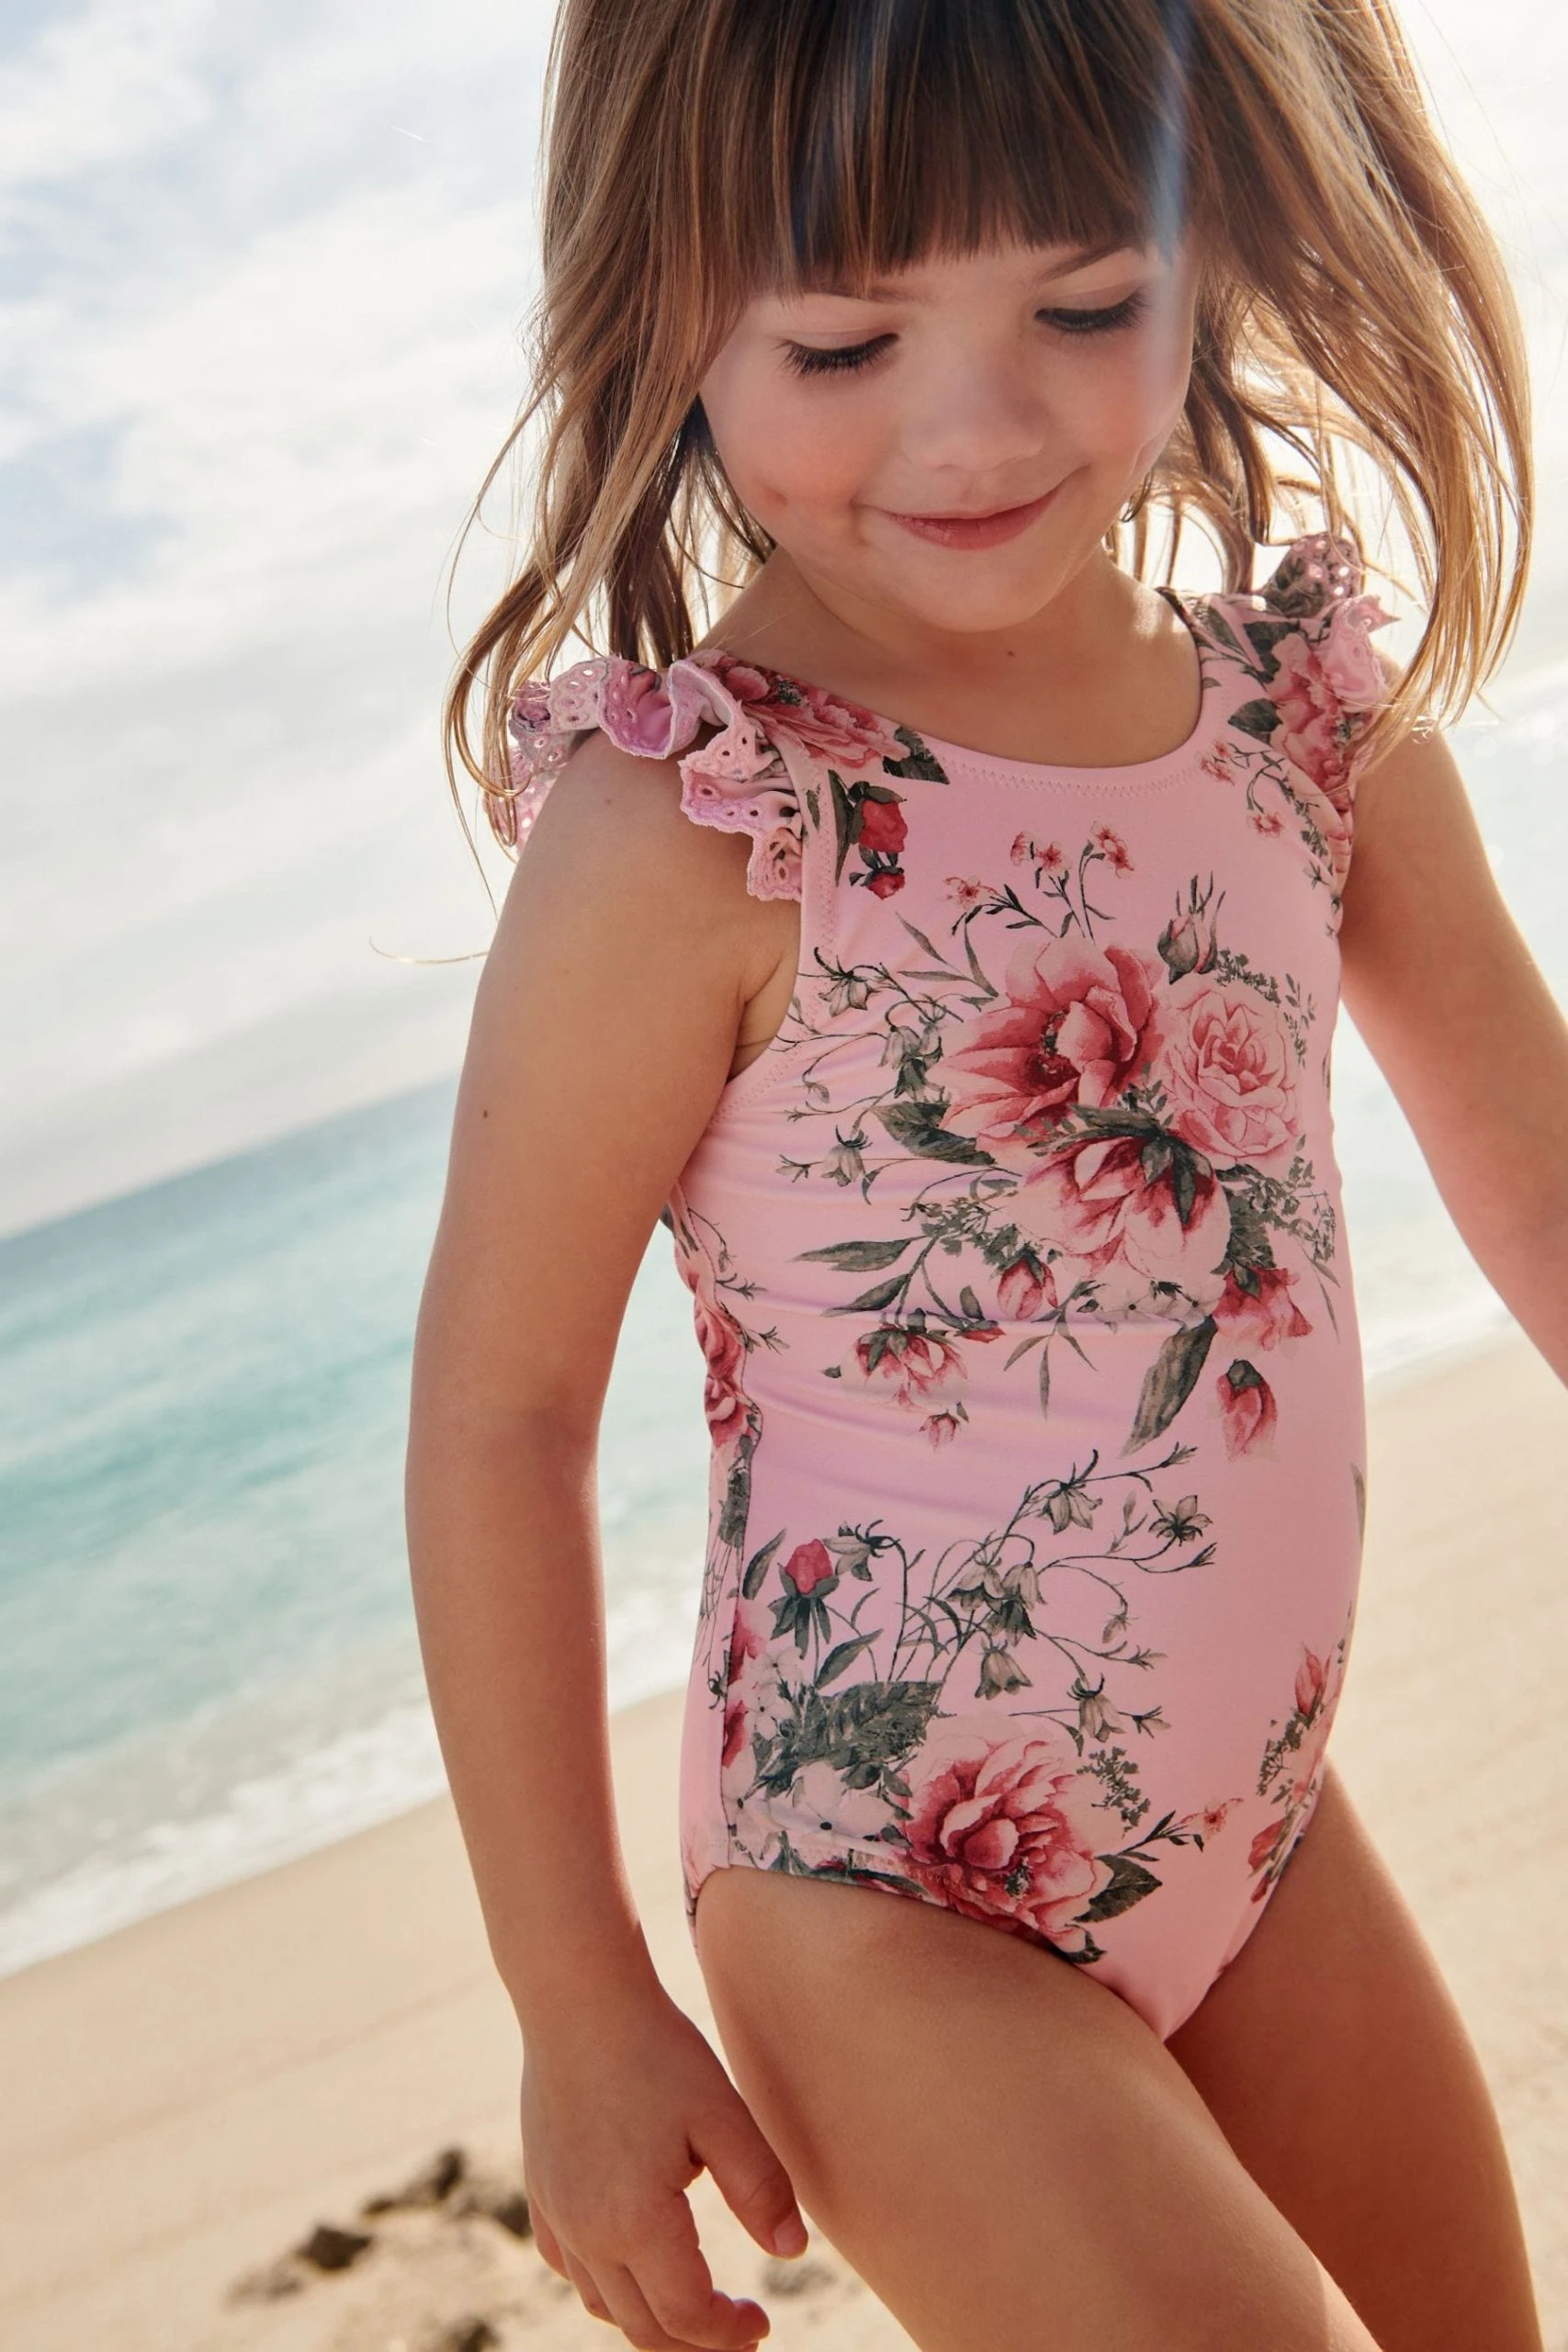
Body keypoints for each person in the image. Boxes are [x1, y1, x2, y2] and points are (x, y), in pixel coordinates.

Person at [405, 4, 1563, 2346]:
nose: (977, 425)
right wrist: (577, 1994)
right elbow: (500, 1414)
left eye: (1085, 304)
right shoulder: (703, 818)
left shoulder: (1302, 725)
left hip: (1258, 1831)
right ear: (665, 313)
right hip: (873, 1897)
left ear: (1205, 249)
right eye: (845, 344)